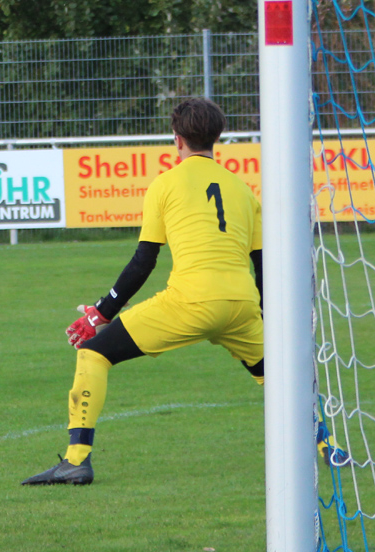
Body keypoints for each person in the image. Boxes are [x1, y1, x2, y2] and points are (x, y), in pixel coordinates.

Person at [22, 98, 265, 485]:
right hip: (242, 304)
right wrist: (263, 316)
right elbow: (262, 264)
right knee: (280, 375)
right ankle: (327, 444)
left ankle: (76, 460)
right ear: (216, 138)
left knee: (94, 353)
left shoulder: (166, 184)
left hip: (190, 302)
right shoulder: (244, 190)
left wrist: (100, 313)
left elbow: (143, 262)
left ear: (177, 138)